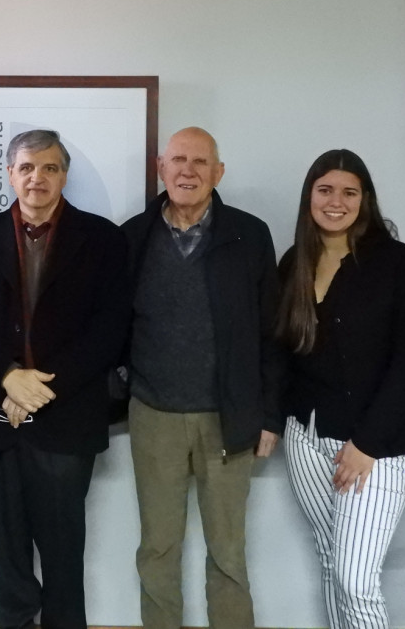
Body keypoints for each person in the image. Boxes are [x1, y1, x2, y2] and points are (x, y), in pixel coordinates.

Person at [0, 129, 128, 629]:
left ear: (64, 176)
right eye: (27, 167)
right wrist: (9, 378)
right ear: (10, 174)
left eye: (49, 167)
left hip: (67, 417)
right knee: (6, 552)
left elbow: (110, 327)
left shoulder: (103, 240)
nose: (37, 177)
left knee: (63, 550)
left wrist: (38, 390)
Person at [120, 126, 285, 629]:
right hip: (154, 416)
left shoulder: (249, 235)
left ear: (218, 172)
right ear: (160, 167)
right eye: (177, 160)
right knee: (158, 549)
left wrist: (269, 415)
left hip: (228, 416)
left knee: (228, 552)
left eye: (199, 162)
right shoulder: (132, 236)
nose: (187, 171)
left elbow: (271, 332)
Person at [276, 149, 405, 629]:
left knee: (355, 578)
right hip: (306, 436)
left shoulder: (397, 264)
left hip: (375, 444)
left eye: (349, 192)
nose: (336, 201)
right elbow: (284, 352)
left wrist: (367, 445)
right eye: (325, 190)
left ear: (365, 199)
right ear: (310, 197)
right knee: (330, 560)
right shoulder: (294, 261)